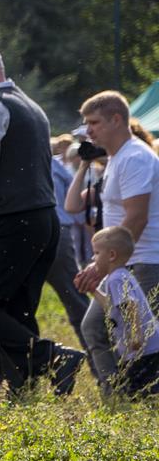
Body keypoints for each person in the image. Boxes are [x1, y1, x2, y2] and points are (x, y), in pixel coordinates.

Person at [0, 45, 82, 393]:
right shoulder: (31, 106)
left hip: (8, 220)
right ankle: (22, 391)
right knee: (17, 310)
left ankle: (52, 357)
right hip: (43, 219)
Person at [64, 91, 159, 393]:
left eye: (94, 123)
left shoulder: (135, 158)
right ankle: (117, 395)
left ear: (117, 119)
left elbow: (137, 217)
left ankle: (136, 397)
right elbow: (74, 207)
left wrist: (100, 265)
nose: (88, 131)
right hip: (123, 261)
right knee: (95, 327)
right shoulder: (118, 158)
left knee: (143, 340)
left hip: (145, 261)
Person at [90, 226, 159, 397]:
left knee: (141, 393)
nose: (93, 258)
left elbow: (131, 305)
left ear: (111, 255)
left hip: (143, 350)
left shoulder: (116, 279)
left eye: (97, 253)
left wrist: (136, 335)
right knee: (140, 391)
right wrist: (93, 290)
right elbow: (112, 307)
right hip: (147, 348)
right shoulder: (120, 276)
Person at [47, 133, 91, 345]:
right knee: (74, 297)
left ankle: (103, 358)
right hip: (58, 233)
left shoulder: (54, 165)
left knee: (75, 298)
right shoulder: (55, 165)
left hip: (55, 233)